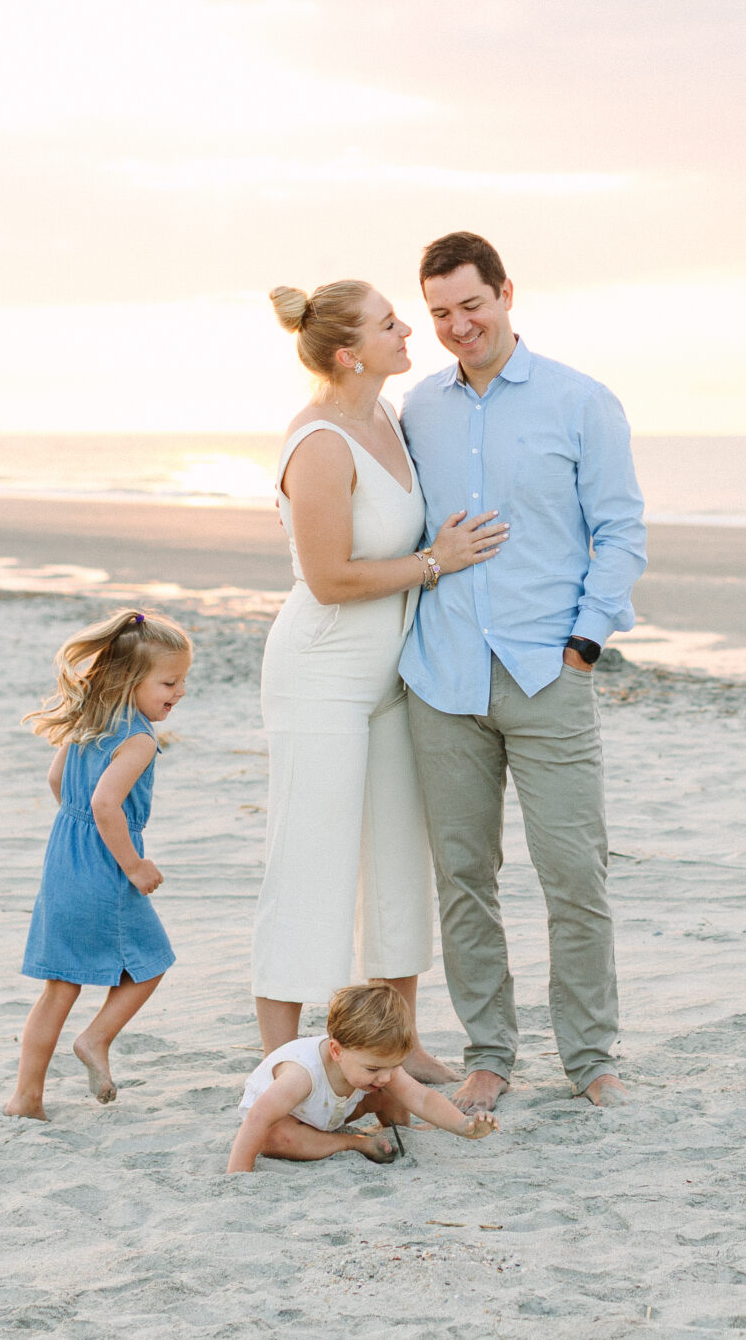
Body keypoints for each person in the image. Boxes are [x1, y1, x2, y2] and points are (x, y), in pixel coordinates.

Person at [400, 232, 647, 1114]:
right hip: (442, 677)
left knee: (574, 873)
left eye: (472, 305)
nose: (458, 326)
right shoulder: (416, 409)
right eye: (439, 314)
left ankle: (591, 1059)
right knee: (464, 876)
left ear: (507, 292)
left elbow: (620, 531)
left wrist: (584, 644)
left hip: (549, 672)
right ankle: (489, 1052)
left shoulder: (581, 401)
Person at [254, 280, 509, 1074]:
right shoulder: (320, 441)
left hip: (391, 676)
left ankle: (399, 1042)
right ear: (347, 352)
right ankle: (283, 1057)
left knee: (400, 857)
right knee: (311, 858)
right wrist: (437, 563)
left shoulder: (386, 418)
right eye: (389, 324)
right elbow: (328, 577)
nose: (409, 332)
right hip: (321, 674)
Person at [4, 608, 191, 1121]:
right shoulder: (138, 739)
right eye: (169, 682)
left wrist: (76, 830)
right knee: (151, 963)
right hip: (106, 869)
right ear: (131, 679)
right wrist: (133, 865)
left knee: (59, 987)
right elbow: (108, 805)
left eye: (182, 683)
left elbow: (57, 782)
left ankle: (26, 1098)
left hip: (64, 859)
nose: (178, 693)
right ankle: (95, 1038)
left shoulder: (89, 721)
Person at [227, 983, 500, 1172]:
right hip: (289, 1118)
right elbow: (258, 1118)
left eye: (392, 1065)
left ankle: (399, 1127)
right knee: (277, 1138)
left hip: (333, 1111)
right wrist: (238, 1172)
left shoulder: (375, 1065)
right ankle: (354, 1143)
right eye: (373, 1069)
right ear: (336, 1051)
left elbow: (423, 1098)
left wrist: (464, 1126)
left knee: (392, 1089)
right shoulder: (301, 1074)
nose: (383, 1075)